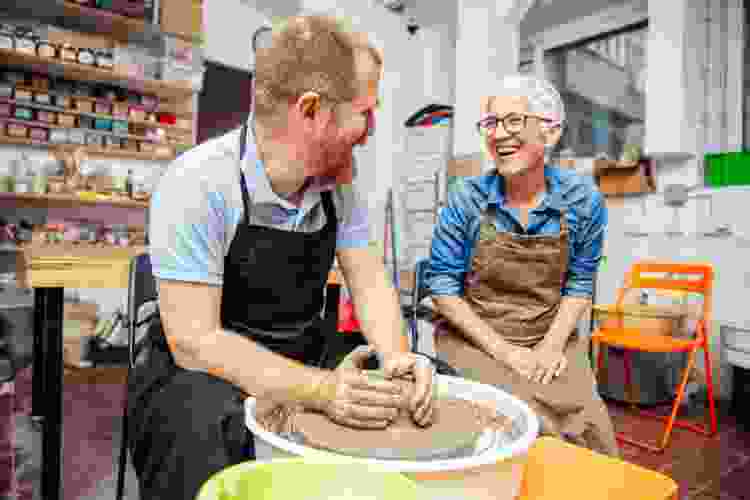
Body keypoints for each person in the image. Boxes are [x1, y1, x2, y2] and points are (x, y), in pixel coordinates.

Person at [128, 15, 436, 500]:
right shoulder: (199, 183)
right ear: (311, 110)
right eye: (365, 113)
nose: (371, 130)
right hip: (205, 368)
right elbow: (195, 342)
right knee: (200, 427)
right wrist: (325, 392)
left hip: (298, 346)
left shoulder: (340, 186)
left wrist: (398, 359)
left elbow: (370, 280)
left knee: (418, 390)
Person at [425, 74, 619, 457]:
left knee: (588, 425)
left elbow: (580, 282)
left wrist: (549, 347)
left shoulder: (583, 201)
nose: (498, 134)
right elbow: (443, 288)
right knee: (522, 422)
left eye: (513, 121)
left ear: (549, 132)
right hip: (475, 340)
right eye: (491, 123)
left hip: (550, 335)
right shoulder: (466, 200)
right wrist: (507, 353)